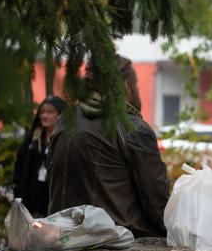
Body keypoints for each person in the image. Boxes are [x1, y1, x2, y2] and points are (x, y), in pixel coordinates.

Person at [47, 56, 169, 237]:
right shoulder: (132, 127)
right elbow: (157, 201)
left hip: (64, 235)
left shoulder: (64, 120)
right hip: (116, 237)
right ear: (126, 84)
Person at [13, 95, 66, 217]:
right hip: (31, 200)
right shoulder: (33, 138)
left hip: (54, 202)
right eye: (42, 112)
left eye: (50, 112)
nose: (44, 115)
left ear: (60, 114)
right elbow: (20, 164)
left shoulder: (65, 140)